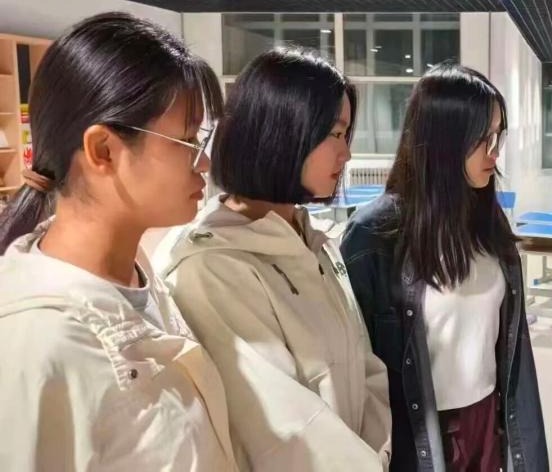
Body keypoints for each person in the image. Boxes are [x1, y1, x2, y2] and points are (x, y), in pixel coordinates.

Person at [0, 12, 237, 470]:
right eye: (187, 141)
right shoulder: (34, 342)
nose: (204, 163)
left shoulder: (138, 282)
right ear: (103, 151)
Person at [157, 49, 391, 471]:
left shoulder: (314, 240)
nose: (346, 154)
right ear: (281, 132)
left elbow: (364, 365)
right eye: (335, 134)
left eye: (346, 135)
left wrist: (379, 453)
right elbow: (283, 434)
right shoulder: (213, 267)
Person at [341, 64, 548, 472]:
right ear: (444, 140)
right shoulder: (374, 235)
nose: (495, 151)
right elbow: (355, 368)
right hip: (418, 435)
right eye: (483, 137)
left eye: (499, 135)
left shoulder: (487, 221)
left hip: (485, 423)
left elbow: (511, 346)